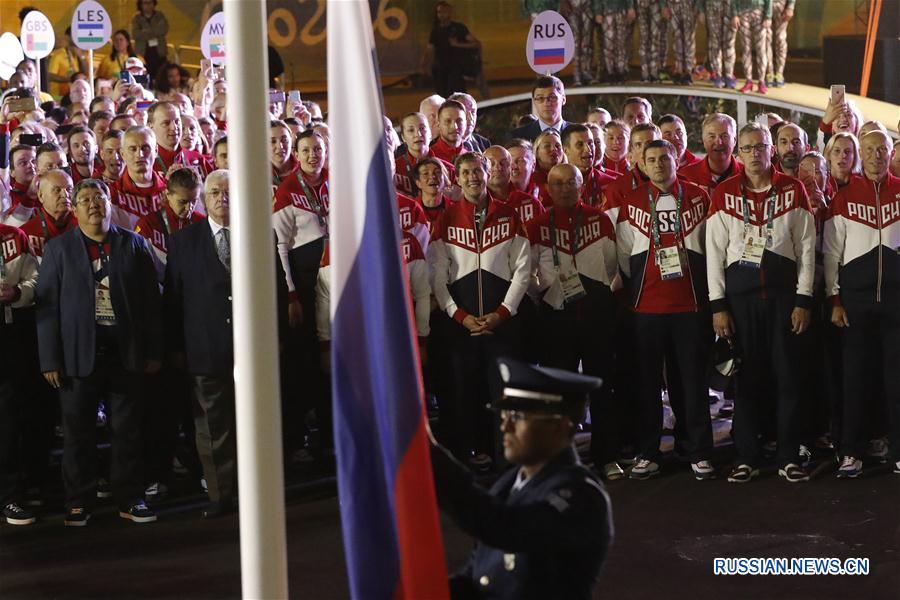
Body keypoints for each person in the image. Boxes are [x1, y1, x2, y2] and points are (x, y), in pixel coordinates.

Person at [430, 357, 613, 599]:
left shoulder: (582, 496)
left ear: (558, 426)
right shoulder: (509, 484)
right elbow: (480, 580)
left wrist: (430, 456)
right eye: (504, 415)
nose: (504, 426)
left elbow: (504, 528)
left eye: (517, 417)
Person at [36, 178, 162, 526]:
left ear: (110, 204)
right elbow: (47, 310)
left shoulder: (134, 245)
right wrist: (50, 358)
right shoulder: (58, 250)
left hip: (126, 350)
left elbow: (151, 303)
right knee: (78, 433)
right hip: (78, 354)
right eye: (86, 199)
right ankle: (78, 501)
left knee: (128, 430)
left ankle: (130, 498)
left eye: (100, 197)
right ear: (74, 210)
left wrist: (153, 350)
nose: (94, 204)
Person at [706, 122, 815, 483]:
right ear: (738, 154)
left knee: (788, 378)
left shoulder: (794, 189)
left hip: (785, 301)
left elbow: (807, 251)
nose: (755, 154)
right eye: (748, 148)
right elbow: (713, 254)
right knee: (747, 380)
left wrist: (804, 298)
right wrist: (718, 305)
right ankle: (746, 457)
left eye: (761, 147)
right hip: (740, 303)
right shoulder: (723, 194)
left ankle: (788, 455)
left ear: (772, 150)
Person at [615, 139, 715, 480]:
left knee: (691, 381)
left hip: (691, 306)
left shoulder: (700, 197)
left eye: (664, 158)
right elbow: (624, 257)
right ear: (642, 164)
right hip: (647, 309)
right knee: (647, 385)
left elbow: (711, 247)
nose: (658, 164)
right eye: (651, 159)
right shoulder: (631, 202)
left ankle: (697, 450)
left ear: (677, 160)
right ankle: (648, 452)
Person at [428, 152, 530, 467]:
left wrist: (503, 312)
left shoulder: (510, 214)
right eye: (467, 172)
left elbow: (523, 270)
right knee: (463, 395)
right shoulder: (445, 219)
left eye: (478, 171)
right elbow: (437, 276)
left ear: (488, 173)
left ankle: (508, 463)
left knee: (504, 396)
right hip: (461, 326)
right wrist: (460, 316)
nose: (473, 177)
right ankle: (467, 460)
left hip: (504, 325)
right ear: (457, 179)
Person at [528, 164, 621, 480]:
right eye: (558, 183)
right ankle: (562, 461)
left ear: (582, 185)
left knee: (602, 387)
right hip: (557, 320)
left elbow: (612, 266)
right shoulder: (538, 225)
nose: (565, 188)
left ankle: (607, 456)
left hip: (597, 317)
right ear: (548, 189)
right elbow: (529, 276)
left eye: (572, 182)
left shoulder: (599, 219)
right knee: (560, 395)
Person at [824, 131, 900, 479]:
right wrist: (835, 299)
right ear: (860, 155)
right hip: (855, 303)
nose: (875, 155)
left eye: (881, 149)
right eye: (868, 150)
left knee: (895, 380)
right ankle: (850, 452)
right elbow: (832, 256)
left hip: (896, 303)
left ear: (890, 152)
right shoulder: (843, 197)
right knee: (854, 380)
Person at [0, 220, 39, 526]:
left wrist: (15, 292)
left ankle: (9, 496)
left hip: (8, 334)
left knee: (8, 422)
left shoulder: (15, 236)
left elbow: (36, 281)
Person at [422, 1, 482, 97]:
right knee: (442, 96)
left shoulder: (459, 28)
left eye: (444, 12)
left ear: (450, 13)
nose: (441, 15)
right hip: (440, 70)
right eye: (439, 12)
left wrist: (457, 44)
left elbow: (476, 44)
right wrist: (424, 65)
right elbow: (430, 49)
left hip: (455, 69)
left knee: (458, 96)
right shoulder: (436, 31)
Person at [678, 112, 743, 194]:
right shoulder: (686, 177)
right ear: (703, 140)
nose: (719, 142)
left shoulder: (748, 176)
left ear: (734, 140)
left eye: (724, 136)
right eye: (712, 136)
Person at [20, 169, 77, 260]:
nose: (65, 195)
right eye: (57, 190)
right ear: (41, 196)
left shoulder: (84, 225)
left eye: (69, 189)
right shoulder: (26, 234)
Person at [395, 112, 455, 198]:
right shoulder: (394, 170)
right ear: (403, 137)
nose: (418, 134)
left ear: (430, 133)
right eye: (411, 130)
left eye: (422, 128)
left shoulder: (448, 169)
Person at [561, 124, 617, 207]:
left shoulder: (611, 184)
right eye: (580, 145)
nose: (588, 149)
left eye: (590, 143)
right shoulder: (556, 185)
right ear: (565, 150)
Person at [507, 76, 569, 142]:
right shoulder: (518, 136)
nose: (546, 103)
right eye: (540, 98)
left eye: (552, 97)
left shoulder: (576, 133)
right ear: (534, 102)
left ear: (563, 99)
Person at [734, 0, 772, 94]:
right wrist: (734, 15)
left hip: (760, 12)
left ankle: (761, 82)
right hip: (743, 12)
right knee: (745, 49)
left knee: (761, 50)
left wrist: (768, 16)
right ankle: (748, 81)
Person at [595, 0, 635, 83]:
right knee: (608, 43)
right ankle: (610, 72)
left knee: (621, 42)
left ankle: (621, 71)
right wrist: (598, 12)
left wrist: (630, 7)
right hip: (606, 10)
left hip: (622, 9)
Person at [701, 0, 738, 88]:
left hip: (729, 7)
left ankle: (729, 76)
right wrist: (701, 10)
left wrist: (736, 14)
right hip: (711, 6)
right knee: (714, 43)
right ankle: (717, 76)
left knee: (729, 43)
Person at [131, 0, 169, 79]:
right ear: (140, 4)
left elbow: (163, 29)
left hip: (159, 53)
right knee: (142, 78)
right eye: (145, 3)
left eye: (150, 2)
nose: (148, 5)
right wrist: (154, 32)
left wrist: (145, 32)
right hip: (143, 54)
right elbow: (135, 34)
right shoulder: (136, 18)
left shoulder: (160, 16)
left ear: (154, 3)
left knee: (161, 77)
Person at [47, 28, 88, 100]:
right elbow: (49, 76)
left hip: (75, 96)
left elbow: (86, 74)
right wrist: (70, 79)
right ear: (68, 37)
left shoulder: (81, 54)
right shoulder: (59, 54)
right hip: (59, 97)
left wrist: (80, 57)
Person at [635, 0, 670, 82]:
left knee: (655, 39)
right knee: (644, 39)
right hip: (641, 5)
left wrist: (663, 5)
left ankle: (654, 72)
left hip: (656, 4)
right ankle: (645, 73)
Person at [565, 0, 597, 86]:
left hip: (587, 7)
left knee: (587, 42)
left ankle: (587, 73)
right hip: (572, 8)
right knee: (575, 43)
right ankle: (577, 76)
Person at [667, 0, 697, 85]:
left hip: (689, 5)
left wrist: (699, 6)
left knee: (689, 40)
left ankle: (688, 72)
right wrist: (663, 5)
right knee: (677, 39)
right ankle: (679, 71)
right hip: (672, 4)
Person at [430, 100, 469, 165]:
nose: (454, 127)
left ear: (466, 123)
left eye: (459, 121)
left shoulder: (471, 157)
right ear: (438, 124)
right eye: (448, 121)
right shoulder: (429, 157)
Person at [765, 0, 794, 87]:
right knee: (765, 39)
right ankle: (769, 73)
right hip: (764, 5)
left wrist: (790, 6)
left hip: (781, 5)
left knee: (781, 39)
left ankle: (779, 74)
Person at [269, 120, 297, 194]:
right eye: (273, 141)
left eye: (284, 140)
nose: (280, 146)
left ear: (291, 141)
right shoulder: (258, 174)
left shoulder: (305, 170)